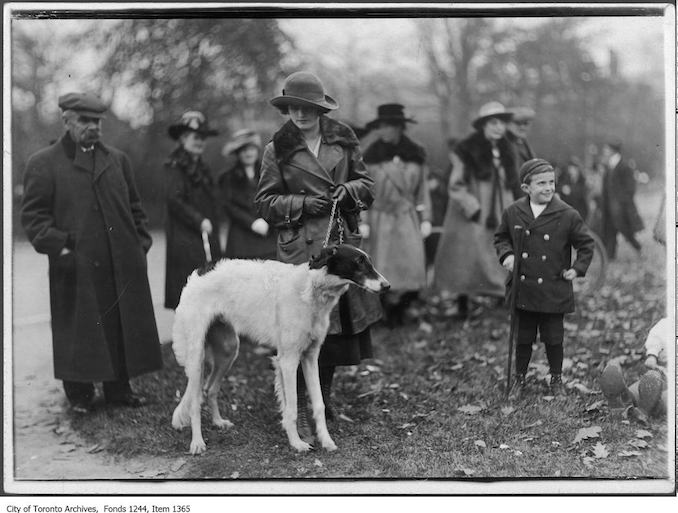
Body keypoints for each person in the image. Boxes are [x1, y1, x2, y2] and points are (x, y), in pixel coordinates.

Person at [255, 71, 381, 439]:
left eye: (308, 107)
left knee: (333, 331)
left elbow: (367, 185)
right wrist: (303, 203)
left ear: (321, 109)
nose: (301, 114)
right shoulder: (276, 149)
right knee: (299, 331)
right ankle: (301, 410)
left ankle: (322, 401)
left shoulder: (343, 139)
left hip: (340, 246)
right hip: (301, 250)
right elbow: (264, 203)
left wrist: (349, 190)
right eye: (293, 107)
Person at [21, 92, 162, 413]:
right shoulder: (44, 163)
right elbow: (34, 218)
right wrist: (63, 246)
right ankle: (79, 395)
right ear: (66, 121)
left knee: (119, 323)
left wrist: (140, 244)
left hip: (120, 261)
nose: (93, 127)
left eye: (97, 121)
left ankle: (119, 390)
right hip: (76, 263)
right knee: (79, 329)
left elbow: (136, 208)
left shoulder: (117, 160)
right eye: (85, 121)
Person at [494, 158, 595, 396]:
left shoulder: (567, 214)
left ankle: (556, 379)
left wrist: (577, 268)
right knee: (524, 337)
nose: (548, 187)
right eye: (541, 183)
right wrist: (507, 255)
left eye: (551, 182)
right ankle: (519, 379)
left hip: (553, 286)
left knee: (554, 338)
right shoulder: (513, 212)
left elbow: (586, 244)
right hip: (524, 287)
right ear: (526, 187)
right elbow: (501, 237)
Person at [433, 101, 521, 319]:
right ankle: (463, 302)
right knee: (468, 256)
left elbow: (512, 182)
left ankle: (502, 296)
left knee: (501, 250)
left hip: (501, 206)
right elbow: (456, 184)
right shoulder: (467, 150)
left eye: (502, 123)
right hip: (475, 208)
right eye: (493, 123)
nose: (498, 127)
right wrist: (470, 205)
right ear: (483, 125)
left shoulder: (508, 149)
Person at [361, 103, 432, 325]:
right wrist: (362, 219)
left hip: (407, 216)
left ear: (398, 127)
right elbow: (362, 192)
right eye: (380, 126)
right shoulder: (370, 157)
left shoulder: (416, 155)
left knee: (411, 264)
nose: (382, 131)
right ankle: (382, 312)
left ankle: (405, 306)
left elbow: (422, 190)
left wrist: (426, 218)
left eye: (387, 126)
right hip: (379, 217)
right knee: (381, 266)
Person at [163, 110, 222, 309]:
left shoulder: (202, 166)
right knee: (189, 284)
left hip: (204, 234)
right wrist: (199, 220)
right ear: (183, 138)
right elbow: (174, 199)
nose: (200, 142)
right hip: (185, 236)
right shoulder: (174, 166)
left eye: (203, 138)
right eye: (196, 137)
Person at [218, 129, 277, 259]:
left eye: (251, 149)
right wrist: (252, 223)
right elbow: (228, 206)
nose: (248, 153)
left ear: (257, 150)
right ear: (238, 153)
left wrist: (267, 221)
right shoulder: (228, 177)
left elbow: (276, 200)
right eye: (244, 150)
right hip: (241, 239)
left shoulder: (270, 173)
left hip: (268, 238)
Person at [598, 318, 669, 419]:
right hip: (660, 373)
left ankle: (645, 411)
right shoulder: (668, 323)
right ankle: (623, 399)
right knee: (649, 382)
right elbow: (657, 336)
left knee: (666, 398)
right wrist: (652, 355)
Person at [600, 139, 644, 259]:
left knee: (626, 231)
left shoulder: (624, 165)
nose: (604, 151)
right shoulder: (608, 165)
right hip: (609, 207)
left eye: (606, 149)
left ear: (613, 151)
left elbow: (631, 188)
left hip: (621, 208)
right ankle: (610, 257)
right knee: (610, 231)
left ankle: (638, 248)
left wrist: (621, 202)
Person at [556, 156, 589, 222]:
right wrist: (562, 189)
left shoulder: (582, 180)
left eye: (574, 169)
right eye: (570, 169)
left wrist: (570, 190)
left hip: (580, 210)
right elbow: (559, 187)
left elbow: (581, 192)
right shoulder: (567, 179)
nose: (572, 171)